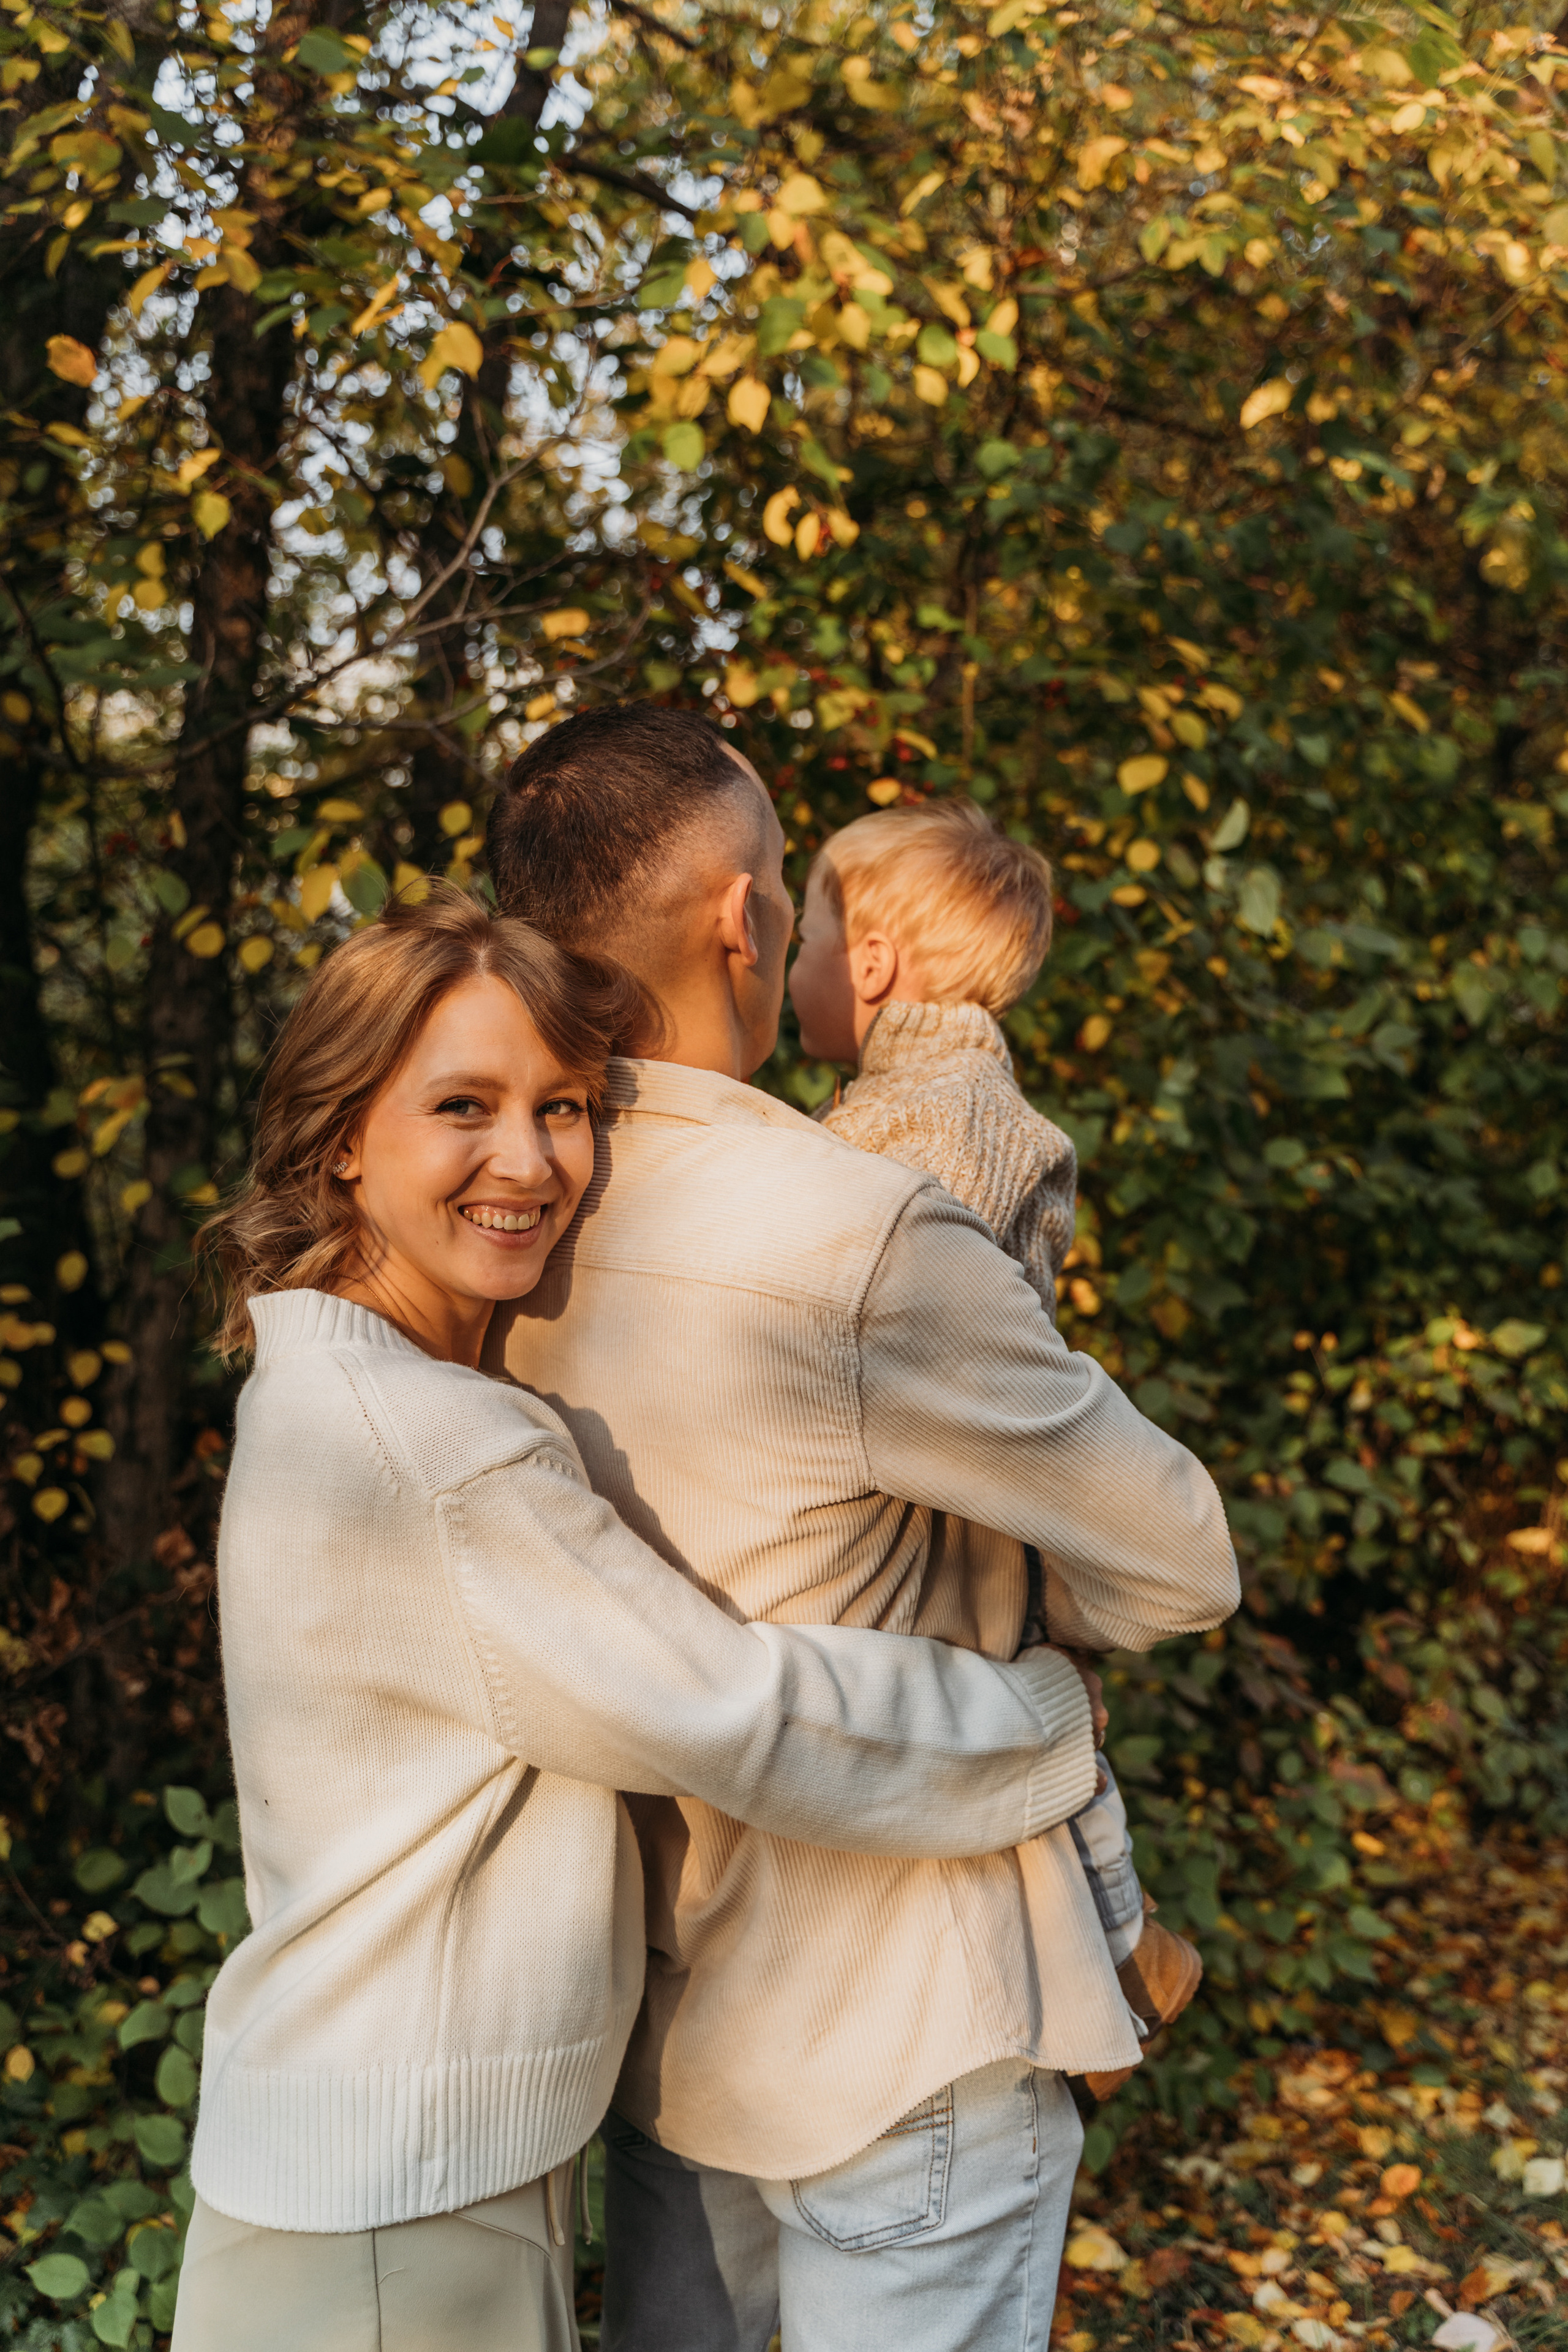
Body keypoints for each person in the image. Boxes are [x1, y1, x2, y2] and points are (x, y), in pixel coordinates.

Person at [170, 886, 1118, 2352]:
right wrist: (1037, 1717)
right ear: (341, 1135)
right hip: (392, 2201)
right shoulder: (430, 1447)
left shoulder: (332, 1381)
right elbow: (731, 1709)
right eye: (463, 1106)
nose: (530, 1160)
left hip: (402, 2161)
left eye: (560, 1107)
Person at [485, 706, 1242, 2352]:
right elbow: (1184, 1558)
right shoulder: (859, 1232)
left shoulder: (486, 1226)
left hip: (667, 2015)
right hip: (902, 2021)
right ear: (745, 924)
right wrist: (1033, 1613)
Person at [790, 797, 1203, 2100]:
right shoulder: (929, 1088)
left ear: (865, 962)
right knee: (1047, 1701)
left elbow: (908, 1287)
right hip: (978, 1470)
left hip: (964, 1483)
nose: (791, 964)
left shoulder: (938, 1104)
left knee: (1037, 1710)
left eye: (805, 932)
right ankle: (1128, 1949)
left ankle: (1124, 1952)